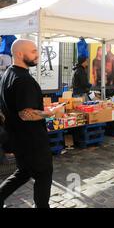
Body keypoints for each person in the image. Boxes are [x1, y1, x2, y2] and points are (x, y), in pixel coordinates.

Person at [0, 40, 64, 208]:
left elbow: (15, 109)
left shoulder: (8, 74)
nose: (38, 55)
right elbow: (25, 114)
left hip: (18, 139)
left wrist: (41, 109)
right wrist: (51, 112)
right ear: (20, 54)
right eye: (34, 51)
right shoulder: (23, 80)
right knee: (44, 174)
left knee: (23, 172)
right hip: (32, 141)